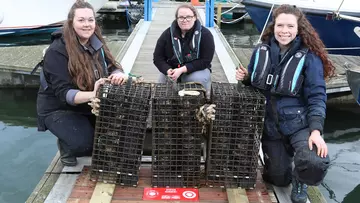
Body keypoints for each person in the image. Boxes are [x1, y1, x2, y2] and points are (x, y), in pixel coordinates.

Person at [235, 5, 333, 203]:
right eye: (280, 25)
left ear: (298, 28)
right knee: (278, 180)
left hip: (299, 124)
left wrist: (316, 131)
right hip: (270, 127)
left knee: (315, 161)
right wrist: (245, 78)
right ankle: (284, 165)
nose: (284, 30)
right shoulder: (261, 50)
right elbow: (255, 80)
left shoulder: (309, 57)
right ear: (273, 26)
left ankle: (301, 180)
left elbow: (317, 96)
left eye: (290, 26)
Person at [36, 0, 127, 166]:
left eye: (90, 20)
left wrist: (118, 74)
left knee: (119, 133)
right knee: (85, 145)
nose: (87, 25)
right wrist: (93, 94)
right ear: (71, 23)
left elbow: (113, 65)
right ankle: (67, 146)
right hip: (59, 108)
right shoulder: (56, 52)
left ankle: (84, 130)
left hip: (88, 104)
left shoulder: (96, 42)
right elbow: (64, 94)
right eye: (81, 20)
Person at [153, 4, 215, 97]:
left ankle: (200, 102)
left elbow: (205, 61)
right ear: (177, 19)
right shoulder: (167, 34)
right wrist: (168, 70)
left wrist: (182, 70)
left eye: (188, 17)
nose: (185, 20)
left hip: (195, 70)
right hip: (173, 69)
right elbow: (158, 58)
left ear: (195, 17)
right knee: (162, 86)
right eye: (181, 17)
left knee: (198, 78)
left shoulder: (206, 34)